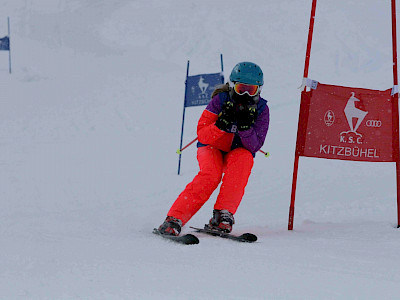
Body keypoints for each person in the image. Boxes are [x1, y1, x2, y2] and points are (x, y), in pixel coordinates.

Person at [158, 62, 270, 236]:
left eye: (252, 90)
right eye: (241, 89)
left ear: (259, 90)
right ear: (233, 86)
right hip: (211, 146)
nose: (246, 94)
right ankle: (174, 219)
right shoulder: (221, 100)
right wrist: (219, 125)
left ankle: (222, 216)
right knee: (211, 174)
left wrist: (246, 129)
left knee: (244, 161)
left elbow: (255, 146)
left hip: (238, 150)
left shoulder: (261, 109)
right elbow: (202, 135)